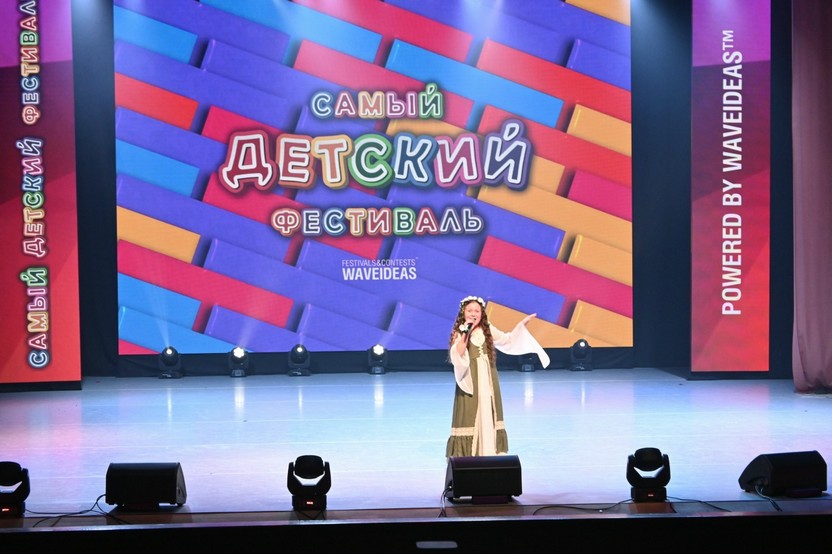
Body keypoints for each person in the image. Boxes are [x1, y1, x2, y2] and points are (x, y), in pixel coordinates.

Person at [446, 296, 550, 457]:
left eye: (477, 311)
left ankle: (488, 449)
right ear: (463, 313)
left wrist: (521, 326)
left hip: (487, 377)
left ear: (482, 313)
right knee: (471, 409)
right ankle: (468, 453)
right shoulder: (460, 331)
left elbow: (507, 340)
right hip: (471, 376)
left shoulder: (487, 328)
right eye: (470, 311)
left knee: (488, 407)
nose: (473, 314)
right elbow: (457, 354)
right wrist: (466, 331)